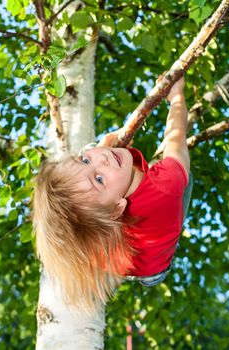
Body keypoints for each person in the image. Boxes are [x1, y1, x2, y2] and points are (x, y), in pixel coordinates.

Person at [32, 77, 192, 311]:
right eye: (98, 179)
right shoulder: (166, 184)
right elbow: (175, 136)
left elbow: (96, 167)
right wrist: (176, 95)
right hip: (156, 270)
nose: (102, 158)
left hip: (123, 263)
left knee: (85, 226)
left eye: (85, 159)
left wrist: (104, 150)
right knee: (187, 176)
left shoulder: (93, 226)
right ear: (118, 208)